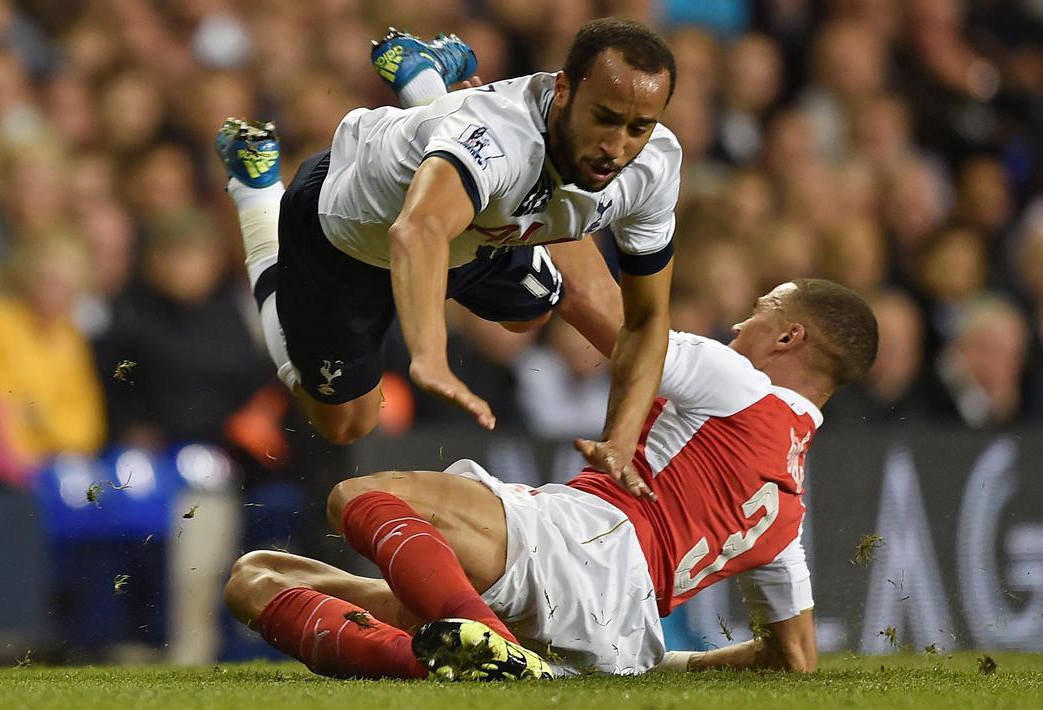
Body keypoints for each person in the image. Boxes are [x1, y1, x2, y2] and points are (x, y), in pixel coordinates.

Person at [223, 278, 878, 679]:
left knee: (359, 496)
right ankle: (454, 658)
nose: (739, 324)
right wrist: (663, 663)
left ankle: (498, 649)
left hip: (584, 546)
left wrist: (534, 259)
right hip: (615, 638)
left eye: (759, 311)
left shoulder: (739, 382)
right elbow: (793, 658)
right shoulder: (787, 516)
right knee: (254, 576)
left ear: (789, 336)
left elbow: (623, 333)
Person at [217, 19, 682, 491]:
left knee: (534, 311)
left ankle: (426, 81)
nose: (616, 145)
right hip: (345, 234)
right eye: (603, 116)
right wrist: (430, 355)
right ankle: (256, 193)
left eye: (638, 127)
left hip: (475, 230)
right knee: (347, 423)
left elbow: (645, 323)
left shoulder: (655, 163)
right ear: (562, 89)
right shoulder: (501, 137)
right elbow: (418, 230)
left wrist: (623, 441)